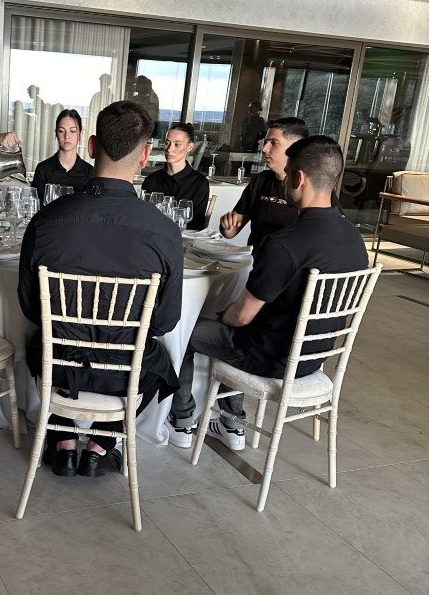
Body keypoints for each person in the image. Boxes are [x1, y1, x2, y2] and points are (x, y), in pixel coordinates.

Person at [168, 136, 368, 450]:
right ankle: (230, 424)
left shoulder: (285, 243)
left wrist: (225, 314)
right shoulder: (354, 238)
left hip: (270, 357)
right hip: (313, 358)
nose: (284, 181)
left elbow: (241, 317)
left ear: (299, 178)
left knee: (182, 332)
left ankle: (182, 421)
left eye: (287, 175)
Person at [19, 101, 183, 478]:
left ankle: (63, 442)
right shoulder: (164, 232)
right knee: (160, 362)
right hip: (125, 370)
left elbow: (30, 308)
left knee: (36, 342)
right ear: (145, 155)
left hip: (59, 365)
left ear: (91, 146)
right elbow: (164, 322)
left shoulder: (46, 220)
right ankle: (99, 447)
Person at [219, 117, 309, 250]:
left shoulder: (312, 185)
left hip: (290, 261)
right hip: (256, 260)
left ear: (295, 147)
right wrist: (227, 226)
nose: (265, 149)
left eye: (273, 143)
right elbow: (231, 232)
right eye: (266, 142)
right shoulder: (260, 180)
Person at [141, 122, 210, 229]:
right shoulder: (150, 181)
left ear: (189, 147)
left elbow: (196, 226)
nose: (169, 149)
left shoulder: (199, 183)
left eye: (177, 144)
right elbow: (143, 219)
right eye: (167, 143)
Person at [32, 109, 93, 203]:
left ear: (80, 134)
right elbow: (36, 207)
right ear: (56, 134)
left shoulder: (90, 172)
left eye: (72, 131)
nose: (66, 136)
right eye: (61, 131)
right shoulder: (43, 169)